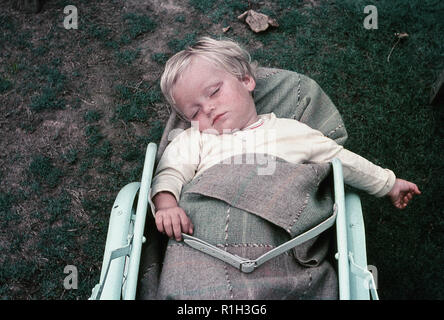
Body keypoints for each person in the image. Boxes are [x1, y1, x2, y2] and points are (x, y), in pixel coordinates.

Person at [151, 37, 421, 242]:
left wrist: (389, 183)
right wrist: (167, 205)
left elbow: (340, 159)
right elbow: (170, 170)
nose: (207, 109)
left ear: (246, 80)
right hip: (206, 237)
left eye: (214, 92)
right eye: (194, 111)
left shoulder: (291, 131)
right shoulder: (195, 138)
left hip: (275, 238)